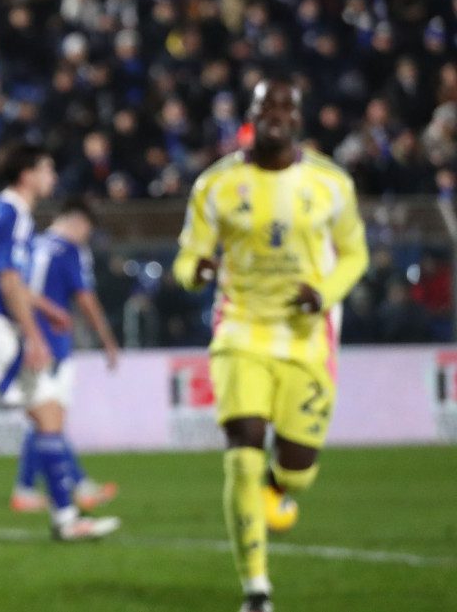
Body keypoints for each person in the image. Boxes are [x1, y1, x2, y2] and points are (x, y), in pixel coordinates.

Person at [173, 78, 368, 612]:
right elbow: (186, 257)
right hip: (240, 331)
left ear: (299, 118)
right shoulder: (216, 184)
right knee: (242, 450)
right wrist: (199, 270)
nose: (276, 114)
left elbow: (355, 255)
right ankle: (256, 589)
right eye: (266, 106)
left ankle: (277, 490)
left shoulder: (331, 183)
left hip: (307, 340)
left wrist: (324, 293)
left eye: (286, 106)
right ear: (252, 115)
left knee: (298, 472)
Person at [0, 141, 120, 546]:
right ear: (27, 174)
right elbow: (9, 279)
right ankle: (67, 518)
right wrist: (33, 336)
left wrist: (46, 309)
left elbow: (2, 274)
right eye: (47, 169)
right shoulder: (16, 213)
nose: (52, 177)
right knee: (49, 413)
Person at [9, 197, 122, 517]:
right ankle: (40, 487)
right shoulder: (71, 250)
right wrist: (107, 339)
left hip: (25, 336)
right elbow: (84, 298)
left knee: (43, 414)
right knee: (48, 417)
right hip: (52, 342)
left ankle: (46, 486)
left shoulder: (33, 244)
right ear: (78, 222)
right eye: (87, 229)